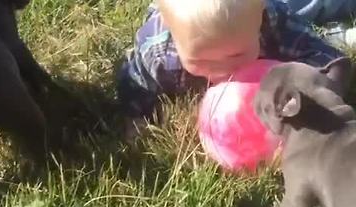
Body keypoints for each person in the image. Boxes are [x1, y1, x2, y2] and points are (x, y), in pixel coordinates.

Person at [117, 0, 355, 141]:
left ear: (258, 23)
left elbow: (324, 58)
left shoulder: (271, 22)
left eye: (237, 55)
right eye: (200, 60)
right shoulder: (158, 52)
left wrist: (309, 90)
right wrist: (137, 115)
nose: (223, 72)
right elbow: (136, 80)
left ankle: (336, 32)